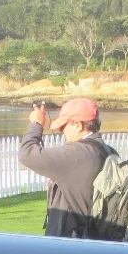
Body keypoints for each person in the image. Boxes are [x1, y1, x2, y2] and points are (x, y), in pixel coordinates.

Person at [19, 97, 109, 238]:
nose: (62, 132)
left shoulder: (77, 153)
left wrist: (36, 124)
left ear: (78, 125)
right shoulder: (106, 151)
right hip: (93, 239)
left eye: (63, 126)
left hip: (69, 243)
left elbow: (27, 154)